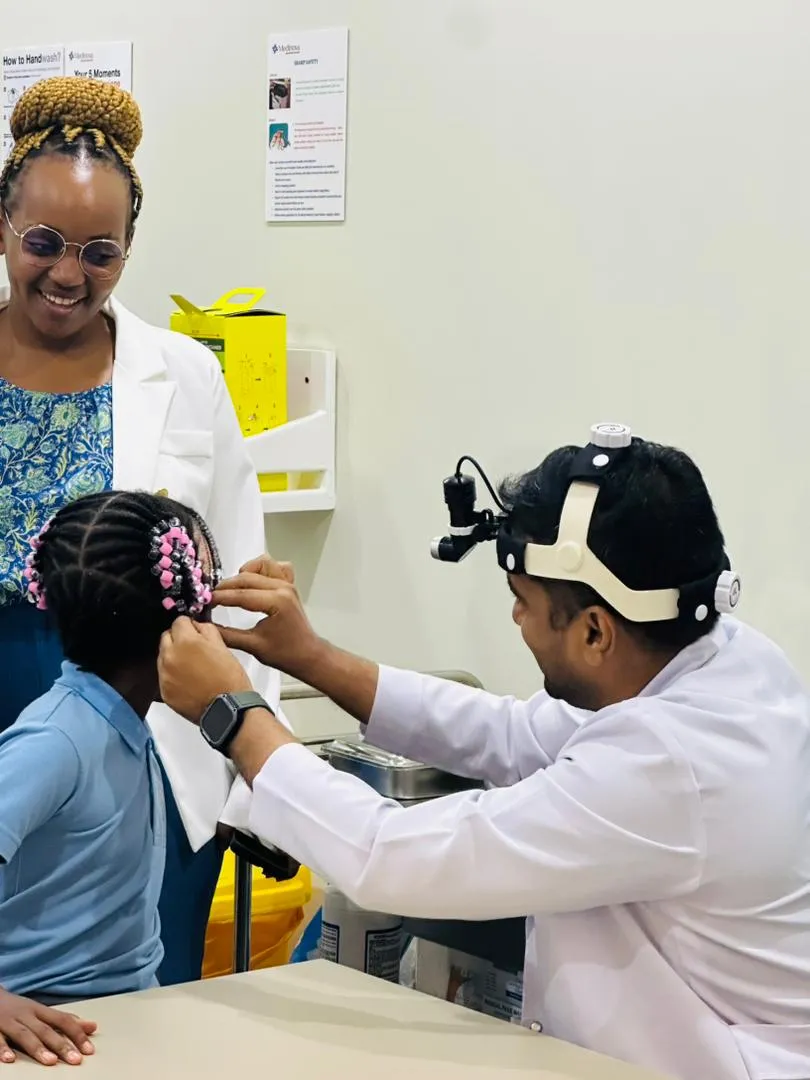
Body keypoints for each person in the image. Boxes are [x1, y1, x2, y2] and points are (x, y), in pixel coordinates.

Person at [158, 426, 810, 1080]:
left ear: (594, 631)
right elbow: (513, 733)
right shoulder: (722, 654)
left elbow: (390, 856)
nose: (515, 621)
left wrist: (234, 715)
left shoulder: (672, 765)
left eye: (523, 604)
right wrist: (315, 659)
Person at [0, 76, 278, 987]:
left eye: (100, 251)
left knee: (130, 997)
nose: (68, 273)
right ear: (5, 222)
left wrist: (252, 760)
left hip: (141, 719)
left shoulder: (183, 373)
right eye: (42, 242)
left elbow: (237, 570)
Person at [0, 490, 222, 1067]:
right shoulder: (56, 742)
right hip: (44, 1035)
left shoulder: (127, 723)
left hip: (125, 1021)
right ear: (176, 624)